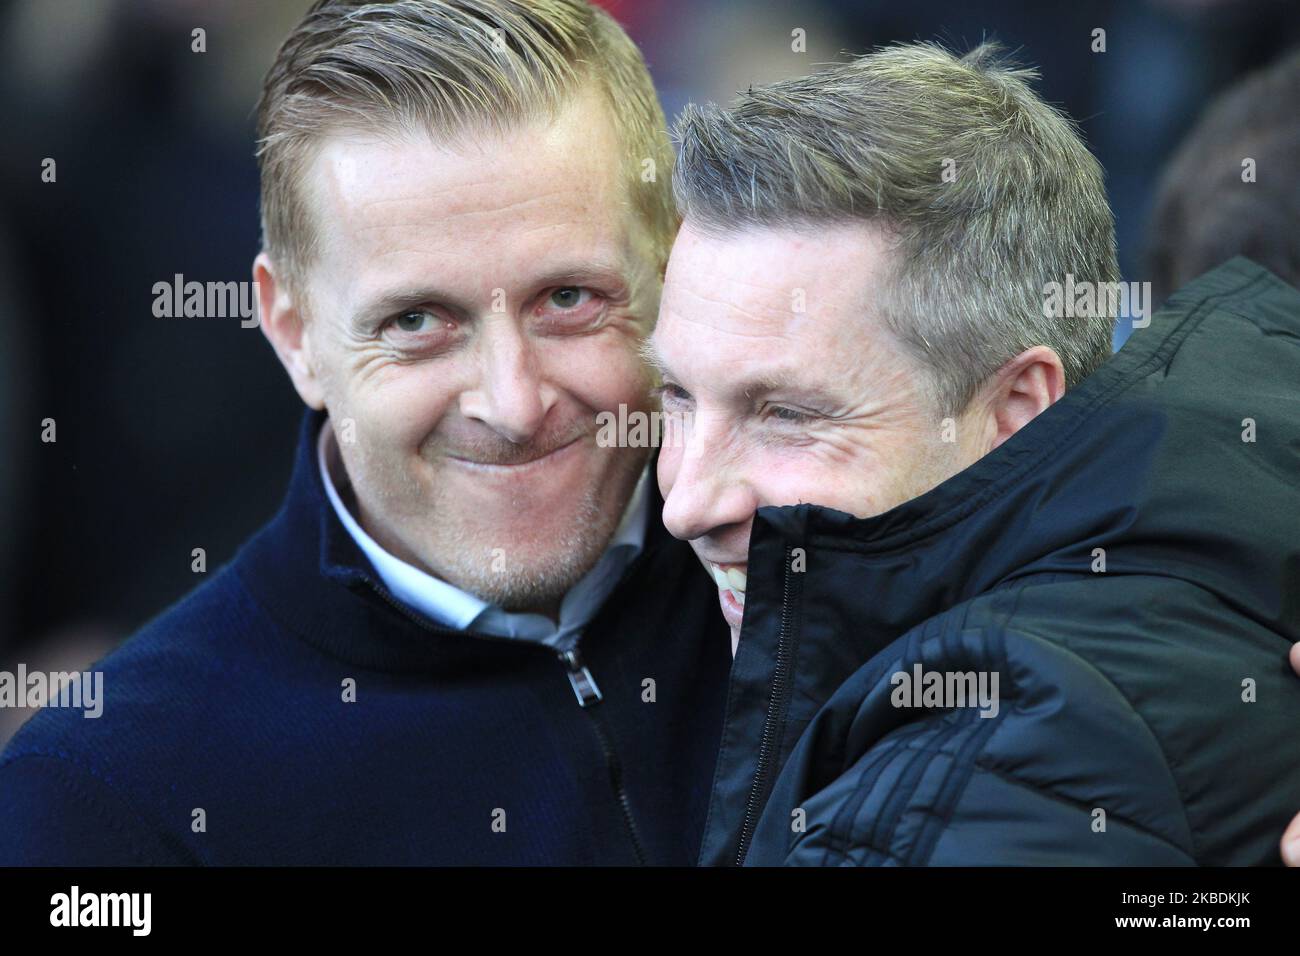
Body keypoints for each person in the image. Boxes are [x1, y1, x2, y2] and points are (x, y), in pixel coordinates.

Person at [0, 0, 729, 866]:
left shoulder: (844, 583)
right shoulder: (101, 800)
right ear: (294, 333)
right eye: (418, 320)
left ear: (675, 262)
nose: (514, 403)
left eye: (568, 300)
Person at [646, 42, 1300, 865]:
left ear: (1015, 408)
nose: (685, 504)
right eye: (674, 396)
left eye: (783, 414)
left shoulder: (962, 784)